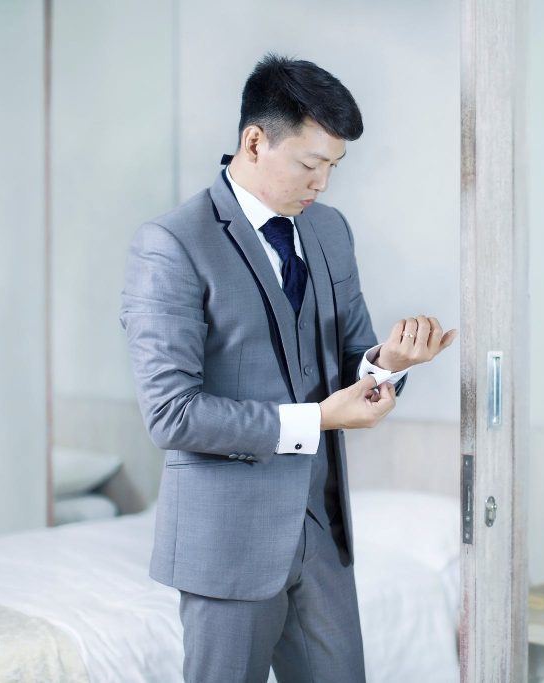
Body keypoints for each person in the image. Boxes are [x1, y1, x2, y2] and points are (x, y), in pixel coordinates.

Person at [119, 54, 455, 683]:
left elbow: (355, 356)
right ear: (254, 141)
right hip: (227, 543)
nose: (323, 183)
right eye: (310, 163)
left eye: (333, 165)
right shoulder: (172, 244)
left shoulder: (329, 231)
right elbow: (171, 414)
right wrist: (317, 419)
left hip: (322, 531)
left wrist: (390, 364)